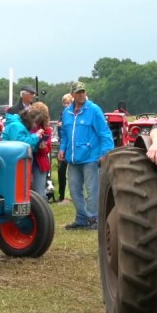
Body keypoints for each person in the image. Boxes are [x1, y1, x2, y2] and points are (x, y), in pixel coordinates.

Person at [59, 82, 113, 230]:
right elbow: (64, 133)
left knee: (92, 189)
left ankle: (94, 218)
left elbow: (105, 133)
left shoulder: (94, 110)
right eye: (78, 92)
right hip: (73, 158)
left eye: (83, 91)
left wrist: (105, 153)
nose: (81, 94)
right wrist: (62, 149)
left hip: (91, 157)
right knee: (74, 189)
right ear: (73, 95)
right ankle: (81, 218)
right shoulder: (67, 113)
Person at [55, 93, 72, 202]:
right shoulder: (63, 114)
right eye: (64, 103)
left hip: (71, 147)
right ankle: (61, 195)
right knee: (61, 172)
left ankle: (68, 196)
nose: (66, 105)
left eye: (68, 103)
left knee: (69, 173)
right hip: (63, 144)